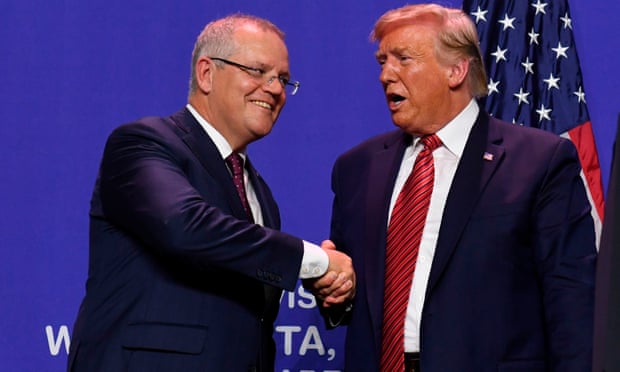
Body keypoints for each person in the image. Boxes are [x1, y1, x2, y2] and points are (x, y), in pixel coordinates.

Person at [309, 4, 597, 371]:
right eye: (382, 60)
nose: (385, 75)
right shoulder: (356, 168)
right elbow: (353, 298)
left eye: (403, 59)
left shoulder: (539, 161)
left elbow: (571, 302)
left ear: (456, 70)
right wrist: (337, 291)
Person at [67, 14, 355, 372]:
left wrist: (329, 285)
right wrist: (314, 262)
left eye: (282, 78)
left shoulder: (260, 193)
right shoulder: (143, 143)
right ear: (206, 74)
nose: (275, 89)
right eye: (257, 71)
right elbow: (184, 225)